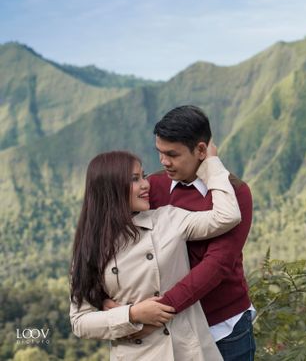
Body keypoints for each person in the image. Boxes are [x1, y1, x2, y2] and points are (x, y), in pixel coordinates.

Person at [105, 105, 256, 360]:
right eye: (160, 153)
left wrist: (160, 311)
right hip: (168, 327)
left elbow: (217, 265)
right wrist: (110, 305)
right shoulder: (152, 186)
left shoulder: (234, 193)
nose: (164, 161)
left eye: (172, 154)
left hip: (221, 326)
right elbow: (115, 244)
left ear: (200, 150)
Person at [70, 144, 241, 361]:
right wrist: (132, 315)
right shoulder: (90, 248)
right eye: (134, 179)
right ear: (110, 188)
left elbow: (228, 216)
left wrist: (212, 164)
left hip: (188, 351)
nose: (145, 185)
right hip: (137, 354)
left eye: (144, 176)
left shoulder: (167, 219)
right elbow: (80, 321)